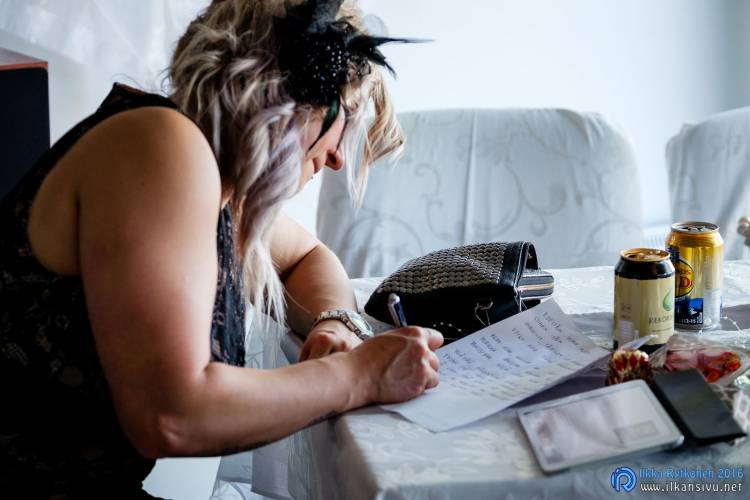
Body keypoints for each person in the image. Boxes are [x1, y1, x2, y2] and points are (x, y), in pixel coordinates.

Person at [0, 0, 443, 497]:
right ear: (290, 97)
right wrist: (357, 376)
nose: (338, 157)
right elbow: (170, 416)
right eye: (345, 116)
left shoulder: (215, 179)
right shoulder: (159, 145)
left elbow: (308, 258)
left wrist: (335, 322)